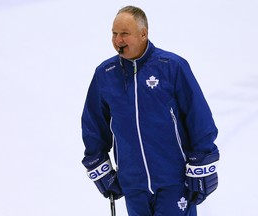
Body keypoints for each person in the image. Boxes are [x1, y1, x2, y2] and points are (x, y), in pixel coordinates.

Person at [81, 5, 219, 216]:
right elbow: (93, 125)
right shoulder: (105, 74)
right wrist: (99, 166)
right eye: (114, 34)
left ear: (143, 34)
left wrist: (202, 162)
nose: (118, 40)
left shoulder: (172, 67)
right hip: (133, 185)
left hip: (174, 181)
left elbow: (198, 117)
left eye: (125, 34)